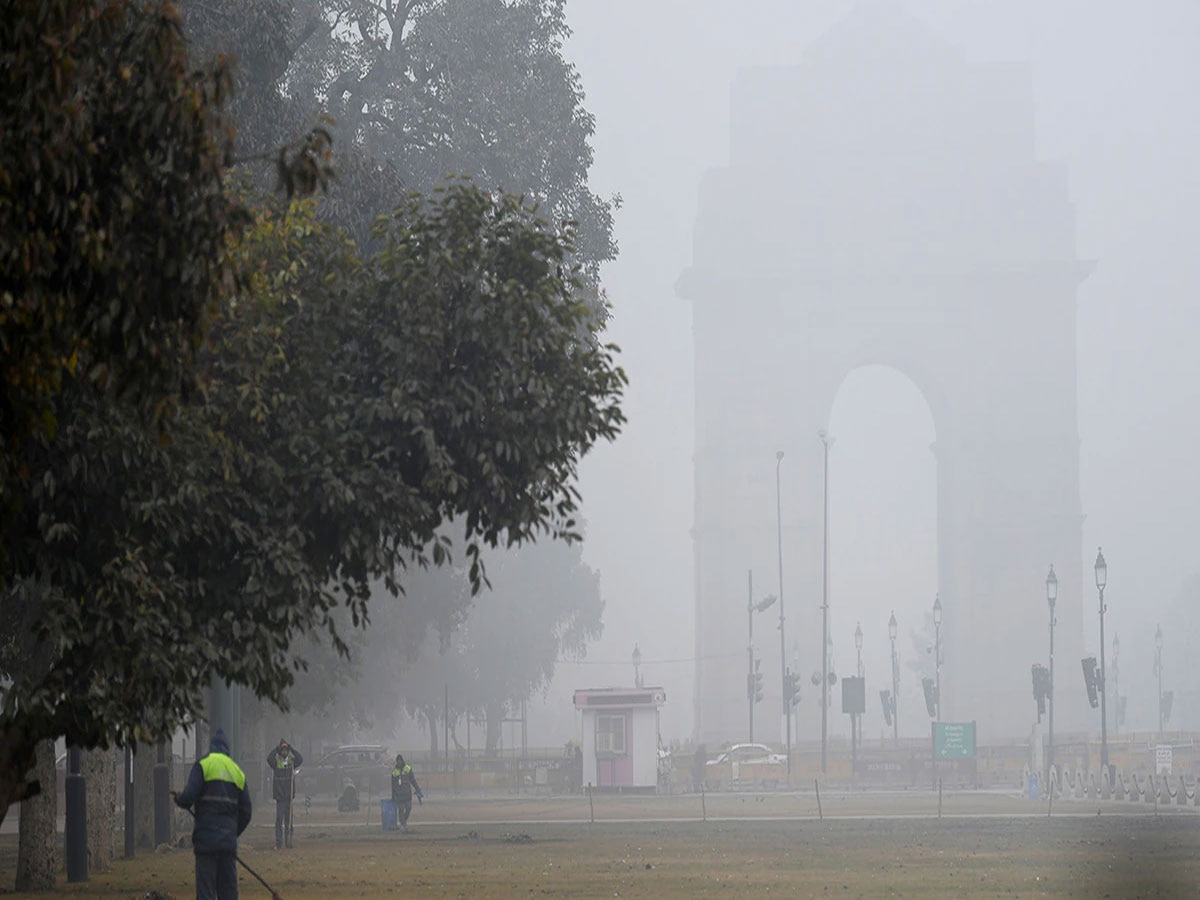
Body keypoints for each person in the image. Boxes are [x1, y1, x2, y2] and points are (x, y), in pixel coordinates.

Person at [174, 728, 252, 900]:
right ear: (227, 749)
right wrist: (232, 832)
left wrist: (179, 799)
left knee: (206, 891)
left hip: (206, 843)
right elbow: (247, 812)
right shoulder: (237, 772)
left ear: (212, 747)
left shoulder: (203, 765)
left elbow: (189, 797)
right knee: (228, 892)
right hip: (227, 844)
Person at [265, 737, 303, 849]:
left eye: (286, 750)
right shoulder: (276, 762)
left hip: (289, 797)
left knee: (289, 821)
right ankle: (278, 842)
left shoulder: (292, 762)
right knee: (279, 820)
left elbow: (300, 759)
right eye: (283, 750)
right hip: (280, 797)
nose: (285, 752)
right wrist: (277, 749)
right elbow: (269, 759)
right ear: (280, 751)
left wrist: (291, 748)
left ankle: (288, 841)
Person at [390, 753, 423, 832]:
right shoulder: (394, 771)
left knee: (408, 808)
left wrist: (417, 789)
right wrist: (393, 795)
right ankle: (403, 825)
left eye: (400, 760)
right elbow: (393, 785)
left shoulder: (407, 768)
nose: (399, 762)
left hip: (407, 793)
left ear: (402, 760)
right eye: (398, 761)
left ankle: (403, 821)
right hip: (399, 794)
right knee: (401, 810)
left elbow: (413, 780)